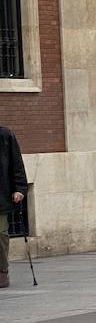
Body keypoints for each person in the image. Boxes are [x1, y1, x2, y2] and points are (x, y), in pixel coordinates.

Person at [0, 122, 29, 290]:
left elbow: (17, 164)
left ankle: (2, 271)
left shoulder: (5, 135)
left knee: (1, 233)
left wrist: (20, 188)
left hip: (1, 196)